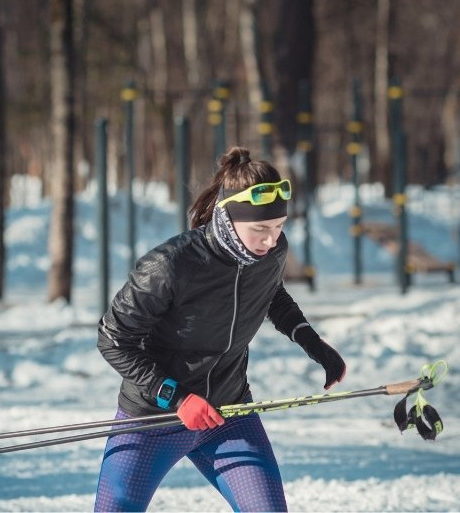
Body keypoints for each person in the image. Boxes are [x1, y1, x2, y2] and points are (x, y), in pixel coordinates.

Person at [93, 146, 347, 512]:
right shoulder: (169, 266)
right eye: (260, 229)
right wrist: (178, 398)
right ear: (228, 217)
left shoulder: (270, 253)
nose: (272, 240)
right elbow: (113, 339)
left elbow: (271, 294)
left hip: (228, 413)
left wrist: (312, 342)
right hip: (154, 417)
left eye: (279, 227)